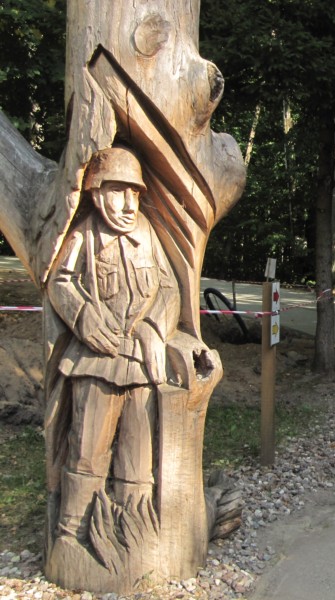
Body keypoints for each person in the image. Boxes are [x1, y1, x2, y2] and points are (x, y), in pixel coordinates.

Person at [47, 147, 179, 540]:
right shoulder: (85, 234)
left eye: (134, 194)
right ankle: (73, 531)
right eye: (118, 192)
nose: (127, 205)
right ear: (96, 192)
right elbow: (60, 281)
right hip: (94, 362)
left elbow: (169, 287)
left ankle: (133, 530)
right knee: (88, 448)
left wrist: (154, 327)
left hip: (140, 365)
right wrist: (84, 317)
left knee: (138, 454)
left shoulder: (147, 232)